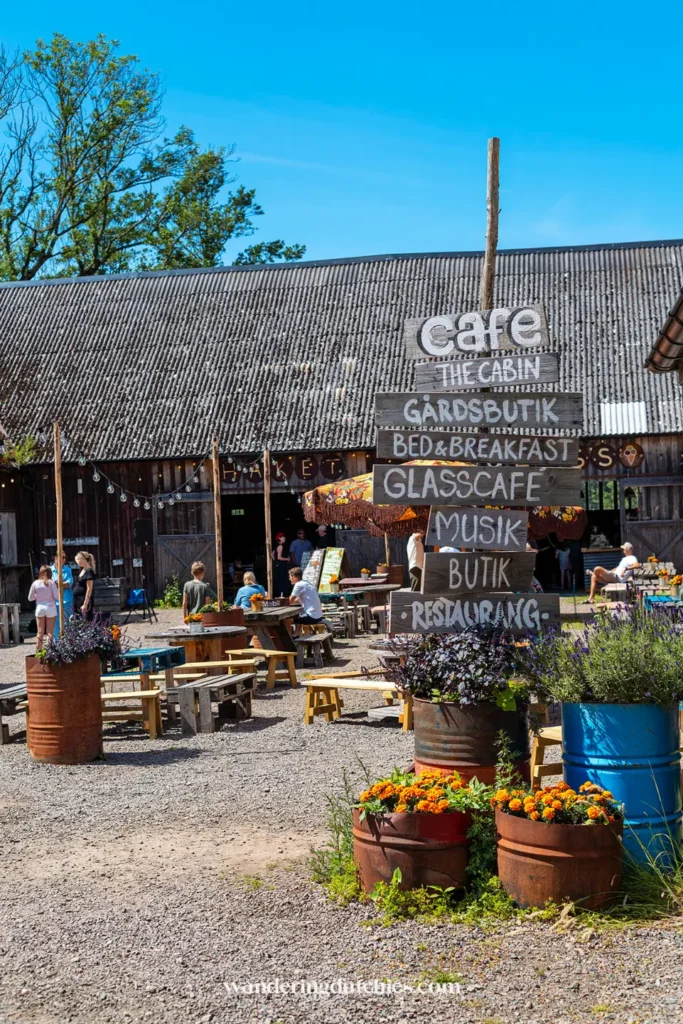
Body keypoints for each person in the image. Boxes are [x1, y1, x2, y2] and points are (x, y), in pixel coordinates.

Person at [28, 565, 59, 649]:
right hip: (50, 607)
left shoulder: (35, 583)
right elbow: (56, 596)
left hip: (40, 607)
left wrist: (37, 596)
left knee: (40, 632)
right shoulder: (52, 582)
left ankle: (39, 651)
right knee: (50, 632)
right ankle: (50, 651)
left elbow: (30, 598)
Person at [51, 552, 74, 638]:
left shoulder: (67, 569)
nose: (64, 559)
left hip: (66, 600)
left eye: (65, 558)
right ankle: (56, 644)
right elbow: (48, 584)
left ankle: (67, 642)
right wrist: (60, 584)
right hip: (53, 601)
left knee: (67, 622)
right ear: (56, 558)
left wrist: (56, 584)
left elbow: (69, 584)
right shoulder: (49, 570)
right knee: (55, 624)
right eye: (62, 557)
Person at [72, 551, 97, 620]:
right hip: (77, 599)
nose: (77, 562)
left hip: (83, 599)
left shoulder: (89, 571)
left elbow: (89, 589)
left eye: (78, 560)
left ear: (83, 559)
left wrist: (85, 604)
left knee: (85, 619)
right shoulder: (83, 569)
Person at [272, 532, 291, 597]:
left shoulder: (276, 546)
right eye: (283, 537)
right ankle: (282, 594)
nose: (284, 538)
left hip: (277, 566)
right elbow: (279, 557)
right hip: (282, 566)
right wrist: (287, 559)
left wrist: (275, 561)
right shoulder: (280, 546)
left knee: (279, 580)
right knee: (283, 580)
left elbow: (272, 554)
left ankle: (279, 594)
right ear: (279, 538)